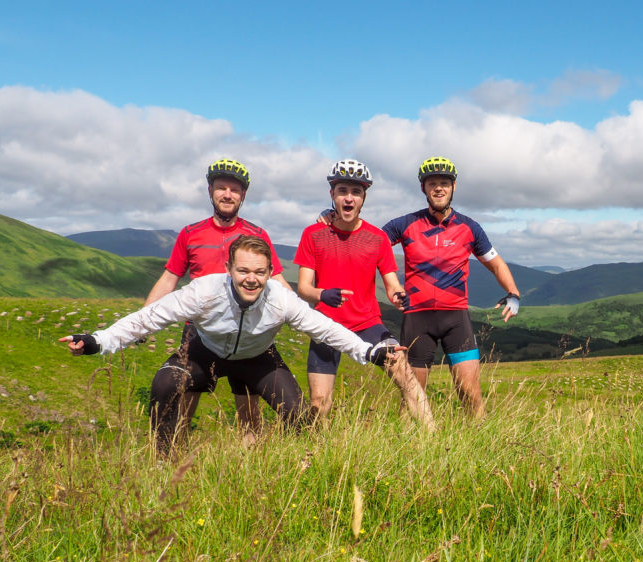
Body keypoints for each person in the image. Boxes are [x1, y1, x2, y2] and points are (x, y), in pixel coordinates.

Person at [61, 236, 398, 454]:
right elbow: (149, 318)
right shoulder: (204, 291)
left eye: (260, 272)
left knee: (298, 415)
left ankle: (304, 470)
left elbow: (325, 328)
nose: (251, 278)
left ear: (270, 273)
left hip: (257, 356)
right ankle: (163, 464)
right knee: (164, 384)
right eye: (243, 270)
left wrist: (369, 352)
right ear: (229, 269)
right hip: (204, 350)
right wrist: (97, 341)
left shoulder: (280, 299)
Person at [144, 158, 291, 436]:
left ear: (243, 195)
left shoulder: (257, 235)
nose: (227, 194)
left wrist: (301, 316)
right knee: (185, 405)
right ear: (210, 191)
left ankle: (251, 471)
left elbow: (277, 279)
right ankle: (176, 470)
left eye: (234, 190)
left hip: (247, 331)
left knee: (248, 410)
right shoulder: (190, 234)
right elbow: (169, 278)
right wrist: (145, 321)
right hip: (199, 331)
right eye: (221, 188)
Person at [295, 160, 432, 427]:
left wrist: (398, 296)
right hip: (325, 324)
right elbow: (303, 289)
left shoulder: (377, 238)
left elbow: (392, 285)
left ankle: (435, 440)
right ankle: (319, 457)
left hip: (367, 323)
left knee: (404, 372)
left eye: (355, 192)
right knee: (318, 404)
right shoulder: (313, 234)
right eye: (342, 190)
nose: (349, 197)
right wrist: (323, 295)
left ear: (363, 197)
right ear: (332, 195)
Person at [381, 156, 521, 417]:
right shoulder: (405, 224)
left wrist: (513, 293)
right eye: (432, 183)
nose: (438, 188)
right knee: (412, 397)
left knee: (470, 393)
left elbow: (496, 263)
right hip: (416, 319)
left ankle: (481, 447)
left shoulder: (469, 227)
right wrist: (332, 218)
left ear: (453, 187)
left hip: (455, 317)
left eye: (444, 182)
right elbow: (370, 244)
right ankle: (407, 451)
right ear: (423, 188)